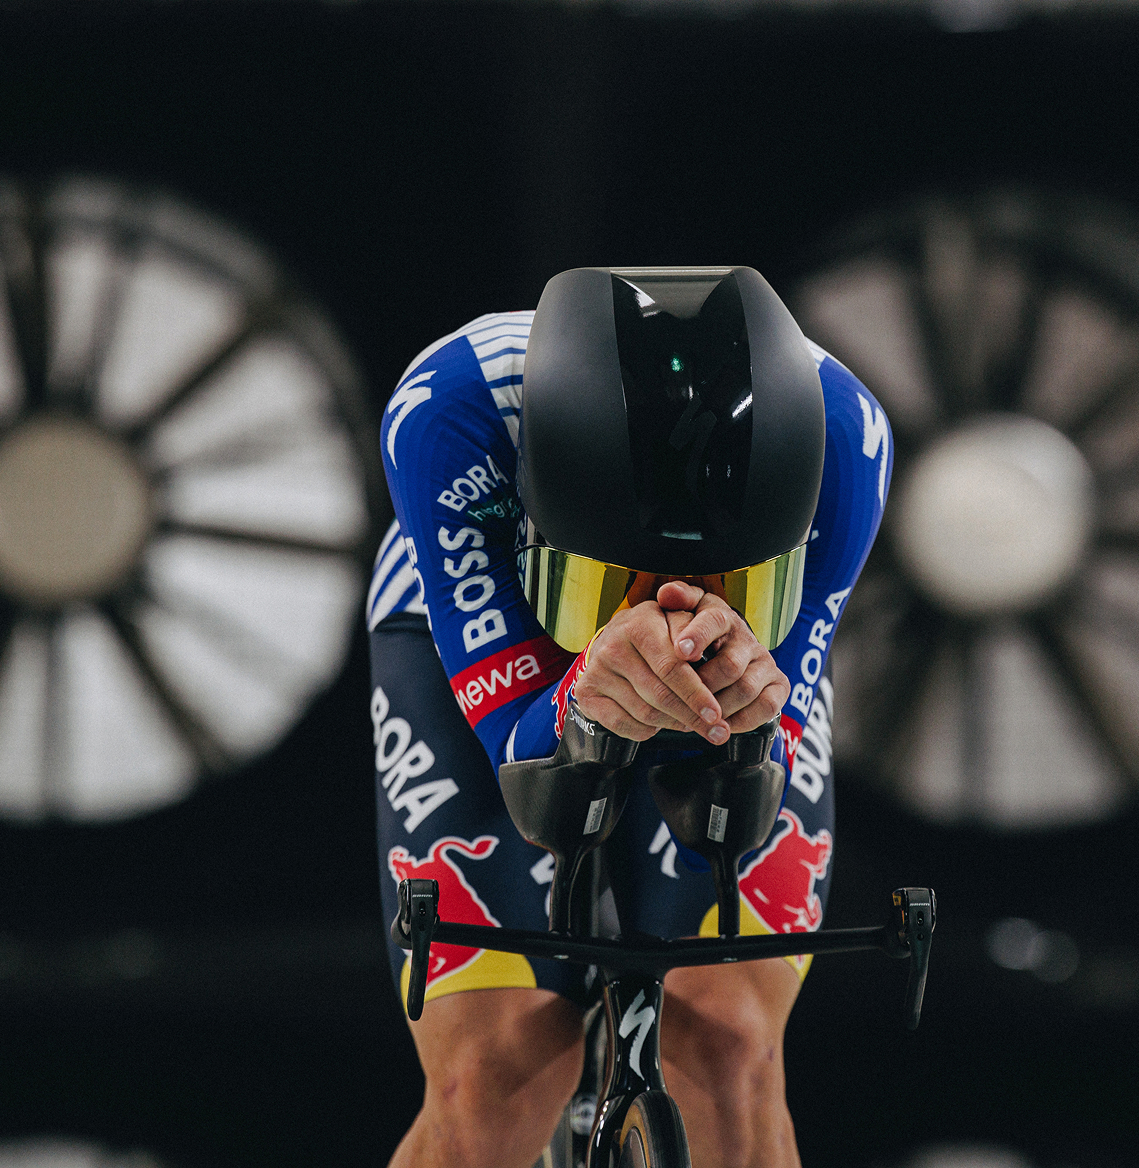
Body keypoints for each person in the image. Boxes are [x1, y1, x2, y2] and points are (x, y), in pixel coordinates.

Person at [369, 266, 891, 1168]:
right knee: (485, 1086)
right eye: (611, 597)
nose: (670, 619)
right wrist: (577, 696)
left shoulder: (848, 440)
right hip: (481, 628)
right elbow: (531, 771)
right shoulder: (447, 412)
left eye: (728, 588)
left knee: (732, 1055)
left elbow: (743, 796)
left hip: (740, 664)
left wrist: (738, 733)